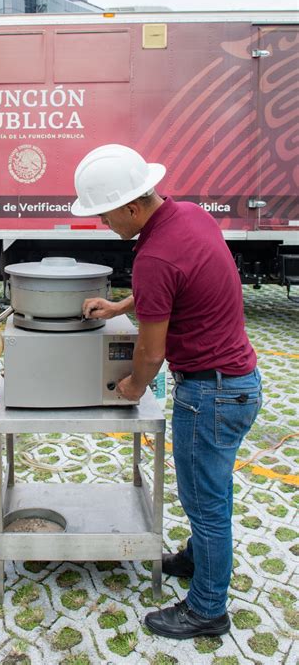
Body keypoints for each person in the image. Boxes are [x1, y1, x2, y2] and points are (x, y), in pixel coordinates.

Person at [71, 144, 262, 640]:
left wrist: (129, 388)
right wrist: (118, 308)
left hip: (210, 394)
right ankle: (198, 561)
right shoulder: (190, 217)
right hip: (238, 383)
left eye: (106, 213)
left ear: (133, 206)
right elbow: (177, 282)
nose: (103, 223)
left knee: (205, 502)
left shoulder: (153, 256)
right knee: (212, 491)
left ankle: (207, 609)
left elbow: (150, 356)